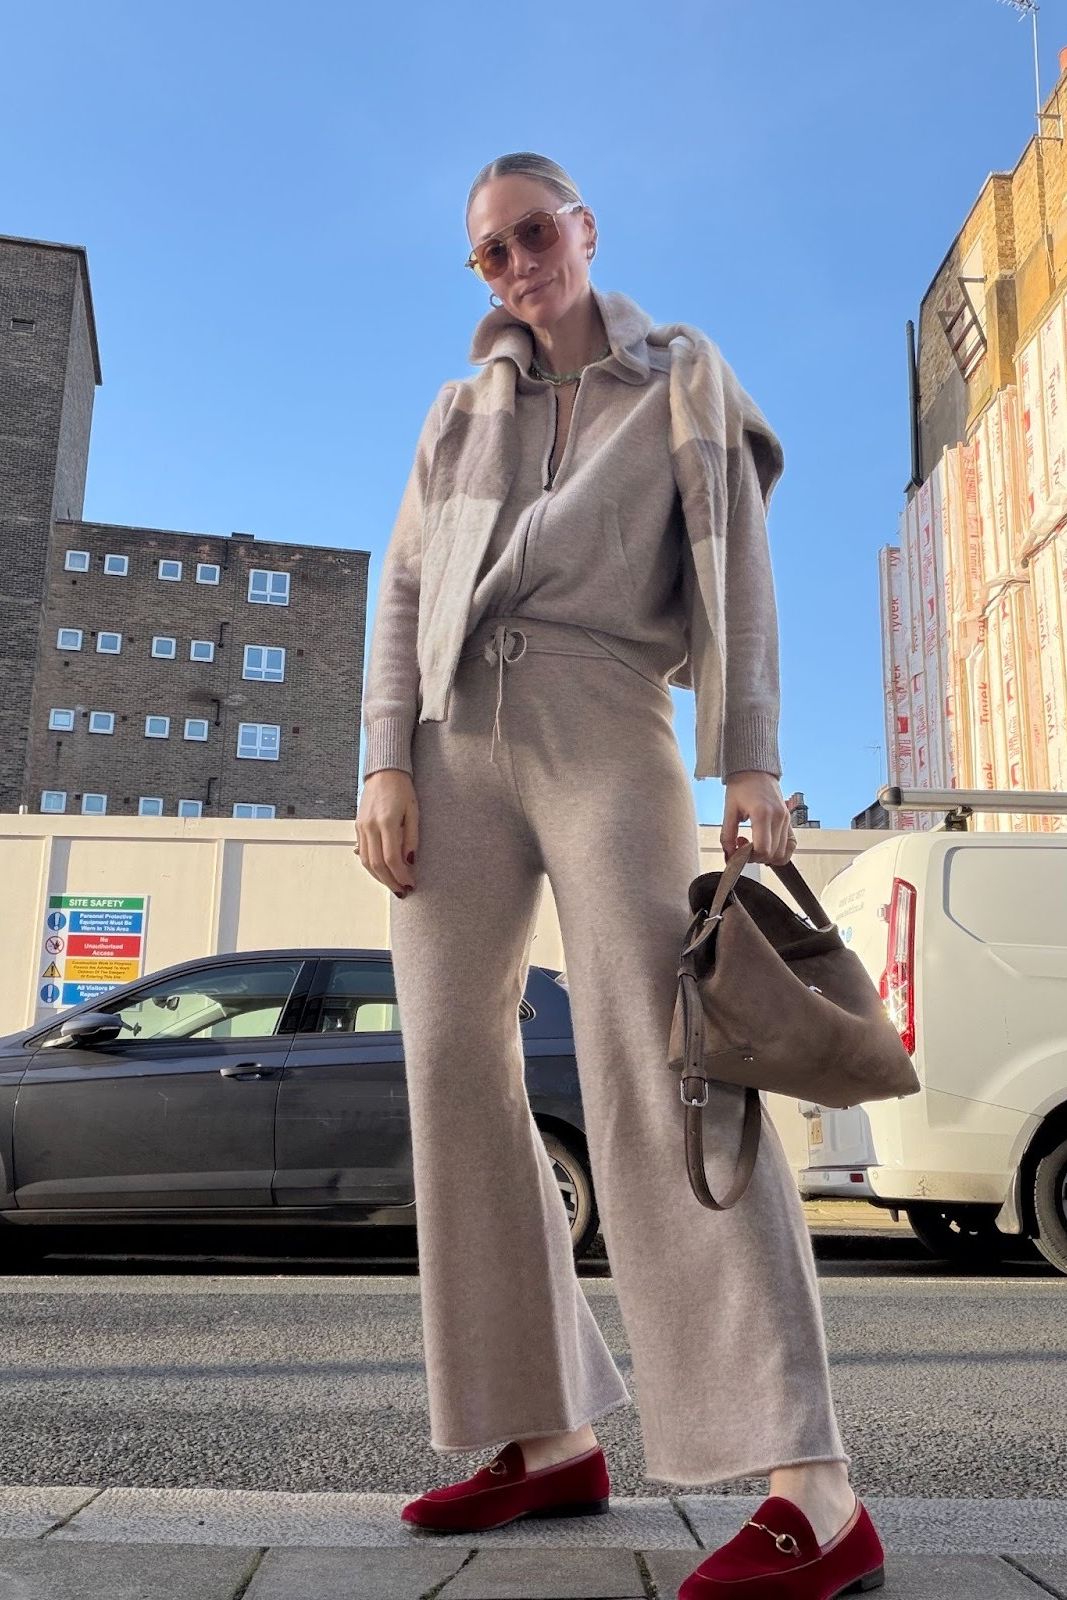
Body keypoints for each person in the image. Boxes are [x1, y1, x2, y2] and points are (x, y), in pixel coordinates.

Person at [353, 152, 886, 1599]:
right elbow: (402, 588)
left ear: (584, 231)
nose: (517, 263)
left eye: (536, 233)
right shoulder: (459, 411)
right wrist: (380, 762)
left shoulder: (680, 377)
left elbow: (741, 565)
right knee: (454, 1064)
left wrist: (753, 756)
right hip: (454, 742)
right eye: (489, 252)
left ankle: (813, 1486)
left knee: (663, 1063)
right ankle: (542, 1435)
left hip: (607, 720)